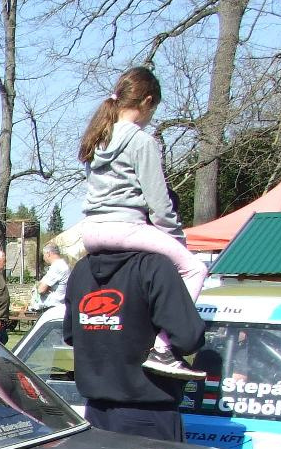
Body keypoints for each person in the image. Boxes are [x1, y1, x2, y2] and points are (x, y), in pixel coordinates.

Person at [79, 65, 206, 380]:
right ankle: (163, 349)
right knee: (195, 268)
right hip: (126, 227)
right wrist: (177, 241)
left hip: (92, 231)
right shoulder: (141, 141)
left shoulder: (98, 139)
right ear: (147, 101)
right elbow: (159, 205)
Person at [63, 248, 205, 442]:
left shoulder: (81, 269)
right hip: (148, 415)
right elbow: (188, 338)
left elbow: (71, 334)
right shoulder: (154, 266)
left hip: (97, 413)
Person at [29, 242, 70, 313]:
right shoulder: (60, 265)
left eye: (44, 255)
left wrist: (40, 287)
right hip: (55, 307)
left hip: (53, 309)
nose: (44, 258)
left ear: (48, 253)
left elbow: (41, 289)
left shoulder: (57, 267)